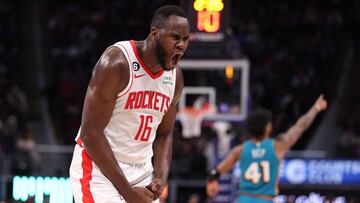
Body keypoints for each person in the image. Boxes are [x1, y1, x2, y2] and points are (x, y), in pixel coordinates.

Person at [69, 5, 190, 203]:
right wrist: (127, 192)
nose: (182, 45)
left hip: (142, 170)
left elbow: (165, 134)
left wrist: (160, 176)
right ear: (155, 34)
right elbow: (90, 132)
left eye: (186, 39)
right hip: (99, 170)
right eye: (175, 37)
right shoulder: (117, 63)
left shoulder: (175, 77)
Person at [206, 95, 327, 203]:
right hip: (265, 199)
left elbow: (219, 169)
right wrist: (315, 108)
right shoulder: (277, 145)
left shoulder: (241, 149)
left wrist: (211, 180)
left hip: (243, 199)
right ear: (267, 127)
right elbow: (300, 126)